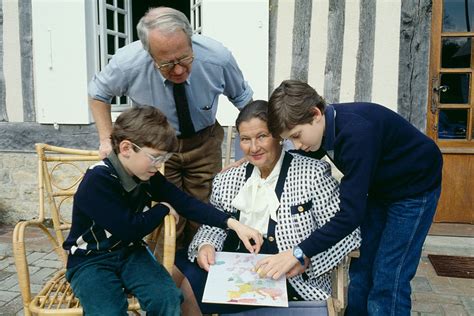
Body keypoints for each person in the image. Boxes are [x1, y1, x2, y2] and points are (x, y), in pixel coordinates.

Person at [264, 80, 443, 315]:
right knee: (362, 267)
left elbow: (350, 215)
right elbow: (306, 150)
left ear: (315, 113)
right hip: (381, 187)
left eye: (297, 136)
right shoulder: (325, 126)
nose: (296, 145)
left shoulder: (357, 133)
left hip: (414, 189)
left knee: (389, 274)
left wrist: (299, 251)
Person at [63, 106, 262, 316]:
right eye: (155, 158)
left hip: (131, 254)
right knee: (108, 311)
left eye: (163, 160)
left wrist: (233, 224)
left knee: (168, 297)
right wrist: (162, 209)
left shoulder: (145, 174)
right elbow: (129, 229)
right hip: (90, 260)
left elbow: (186, 203)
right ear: (126, 148)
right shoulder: (97, 180)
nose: (158, 166)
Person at [173, 100, 361, 315]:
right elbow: (213, 224)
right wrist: (206, 245)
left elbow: (348, 234)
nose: (253, 148)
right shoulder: (227, 179)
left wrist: (305, 257)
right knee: (178, 279)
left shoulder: (312, 173)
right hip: (234, 269)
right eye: (245, 139)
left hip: (290, 277)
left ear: (279, 136)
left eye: (261, 136)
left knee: (188, 287)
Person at [88, 6, 253, 250]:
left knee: (205, 212)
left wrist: (247, 151)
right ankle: (169, 275)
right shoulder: (127, 63)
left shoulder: (218, 58)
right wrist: (105, 139)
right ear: (149, 52)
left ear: (190, 39)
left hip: (204, 142)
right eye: (167, 63)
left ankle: (199, 275)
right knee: (169, 220)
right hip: (156, 150)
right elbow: (98, 94)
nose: (178, 70)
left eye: (184, 59)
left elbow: (245, 103)